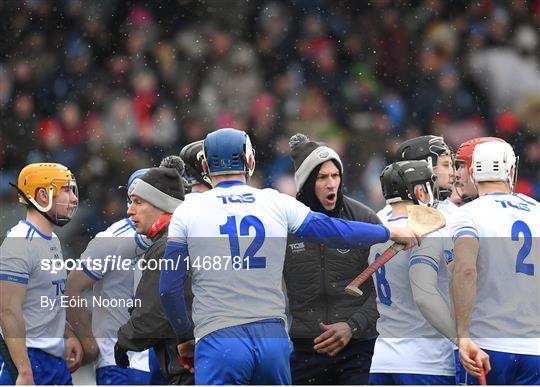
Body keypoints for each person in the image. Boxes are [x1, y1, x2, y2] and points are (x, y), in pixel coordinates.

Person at [159, 128, 421, 385]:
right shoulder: (274, 201)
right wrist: (387, 231)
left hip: (220, 337)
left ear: (205, 164)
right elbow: (333, 230)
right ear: (249, 160)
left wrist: (184, 336)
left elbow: (169, 290)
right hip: (272, 339)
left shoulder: (188, 210)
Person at [283, 133, 381, 384]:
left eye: (335, 175)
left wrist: (353, 326)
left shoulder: (364, 220)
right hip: (304, 351)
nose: (331, 184)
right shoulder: (284, 225)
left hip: (359, 349)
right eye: (322, 177)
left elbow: (387, 289)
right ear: (305, 184)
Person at [451, 140, 540, 385]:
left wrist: (463, 335)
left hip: (488, 346)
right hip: (534, 349)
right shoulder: (537, 210)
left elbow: (465, 270)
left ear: (472, 172)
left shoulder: (468, 214)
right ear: (510, 171)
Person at [368, 160, 455, 385]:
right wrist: (461, 340)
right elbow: (424, 295)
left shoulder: (378, 229)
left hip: (382, 358)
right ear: (420, 191)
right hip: (426, 361)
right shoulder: (427, 231)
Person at [65, 168, 155, 385]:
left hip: (161, 360)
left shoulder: (176, 234)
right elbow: (72, 287)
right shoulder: (110, 239)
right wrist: (90, 345)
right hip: (119, 363)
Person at [0, 163, 82, 385]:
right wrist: (24, 371)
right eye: (66, 190)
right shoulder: (19, 243)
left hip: (54, 360)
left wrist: (68, 334)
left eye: (73, 190)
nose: (73, 199)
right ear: (42, 195)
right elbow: (7, 311)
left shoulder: (52, 240)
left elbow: (49, 300)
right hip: (28, 358)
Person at [115, 158, 194, 385]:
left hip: (188, 368)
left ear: (162, 205)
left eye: (138, 202)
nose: (130, 211)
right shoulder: (185, 235)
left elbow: (153, 313)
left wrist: (124, 340)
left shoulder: (166, 245)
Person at [378, 135, 455, 220]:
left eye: (452, 165)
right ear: (423, 167)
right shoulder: (383, 219)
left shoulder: (454, 212)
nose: (453, 173)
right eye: (446, 165)